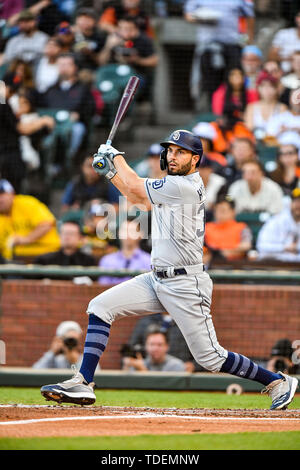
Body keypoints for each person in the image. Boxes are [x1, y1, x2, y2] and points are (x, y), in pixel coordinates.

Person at [41, 129, 298, 409]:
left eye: (181, 152)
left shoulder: (184, 186)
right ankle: (83, 381)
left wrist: (115, 158)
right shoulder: (171, 184)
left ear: (195, 159)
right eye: (171, 151)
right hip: (157, 279)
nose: (172, 156)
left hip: (185, 283)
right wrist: (110, 173)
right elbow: (138, 199)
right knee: (100, 306)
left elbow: (137, 186)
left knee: (210, 358)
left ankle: (276, 381)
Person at [184, 0, 255, 109]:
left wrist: (249, 39)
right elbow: (188, 15)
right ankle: (212, 113)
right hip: (208, 46)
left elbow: (249, 15)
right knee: (210, 84)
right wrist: (200, 17)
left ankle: (235, 110)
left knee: (234, 80)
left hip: (232, 45)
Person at [39, 53, 96, 160]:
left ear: (75, 67)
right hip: (52, 125)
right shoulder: (51, 89)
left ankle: (67, 161)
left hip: (72, 126)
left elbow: (91, 109)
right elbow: (42, 107)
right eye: (60, 65)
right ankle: (45, 162)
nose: (63, 68)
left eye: (67, 65)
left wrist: (78, 115)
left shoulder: (82, 89)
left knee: (77, 129)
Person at [98, 15, 158, 102]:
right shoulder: (113, 38)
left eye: (128, 28)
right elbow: (101, 62)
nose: (124, 31)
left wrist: (138, 60)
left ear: (135, 28)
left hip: (136, 75)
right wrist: (108, 46)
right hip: (113, 73)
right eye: (121, 28)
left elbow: (155, 61)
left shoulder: (144, 39)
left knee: (126, 87)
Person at [0, 179, 60, 261]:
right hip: (16, 261)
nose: (0, 199)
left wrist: (26, 239)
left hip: (46, 253)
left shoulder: (26, 203)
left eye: (2, 194)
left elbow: (46, 224)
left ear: (12, 194)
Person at [98, 218, 151, 285]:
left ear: (141, 234)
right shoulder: (107, 260)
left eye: (132, 231)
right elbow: (103, 286)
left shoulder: (149, 261)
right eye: (124, 231)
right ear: (118, 233)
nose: (127, 235)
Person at [256, 187, 300, 262]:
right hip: (275, 266)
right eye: (296, 201)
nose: (298, 205)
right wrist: (284, 248)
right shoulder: (276, 221)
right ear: (290, 203)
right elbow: (261, 247)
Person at [204, 196, 252, 262]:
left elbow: (246, 245)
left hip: (235, 264)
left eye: (223, 210)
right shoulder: (207, 227)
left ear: (233, 212)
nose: (219, 214)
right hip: (210, 264)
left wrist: (223, 251)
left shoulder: (242, 227)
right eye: (217, 210)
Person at [244, 71, 287, 141]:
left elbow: (282, 129)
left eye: (271, 86)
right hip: (256, 143)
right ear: (258, 88)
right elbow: (249, 128)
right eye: (263, 86)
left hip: (276, 143)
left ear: (276, 89)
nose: (267, 89)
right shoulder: (251, 107)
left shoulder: (282, 108)